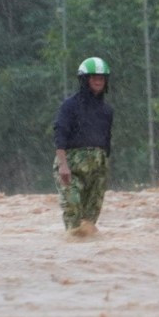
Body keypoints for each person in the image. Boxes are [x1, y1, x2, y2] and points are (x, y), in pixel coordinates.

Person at [52, 57, 115, 236]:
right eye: (93, 77)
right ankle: (72, 249)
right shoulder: (69, 106)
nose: (98, 81)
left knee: (89, 220)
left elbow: (106, 141)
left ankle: (89, 254)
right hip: (71, 167)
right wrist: (63, 165)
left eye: (101, 78)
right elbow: (60, 134)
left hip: (98, 169)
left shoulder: (107, 111)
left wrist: (105, 169)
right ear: (84, 80)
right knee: (73, 210)